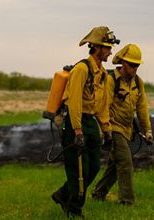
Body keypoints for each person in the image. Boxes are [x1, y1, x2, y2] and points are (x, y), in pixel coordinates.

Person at [51, 26, 120, 218]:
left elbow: (102, 105)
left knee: (94, 167)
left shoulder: (103, 74)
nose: (110, 51)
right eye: (107, 47)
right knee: (78, 170)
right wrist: (78, 131)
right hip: (75, 122)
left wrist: (106, 129)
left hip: (90, 122)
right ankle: (74, 209)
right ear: (97, 47)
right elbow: (74, 102)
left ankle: (62, 195)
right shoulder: (81, 69)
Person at [92, 43, 153, 206]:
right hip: (113, 128)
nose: (135, 69)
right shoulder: (111, 81)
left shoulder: (138, 83)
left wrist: (147, 130)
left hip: (127, 130)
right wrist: (106, 130)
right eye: (132, 65)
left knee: (115, 163)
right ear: (123, 63)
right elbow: (103, 107)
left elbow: (142, 107)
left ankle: (99, 193)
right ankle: (127, 201)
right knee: (125, 162)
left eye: (137, 65)